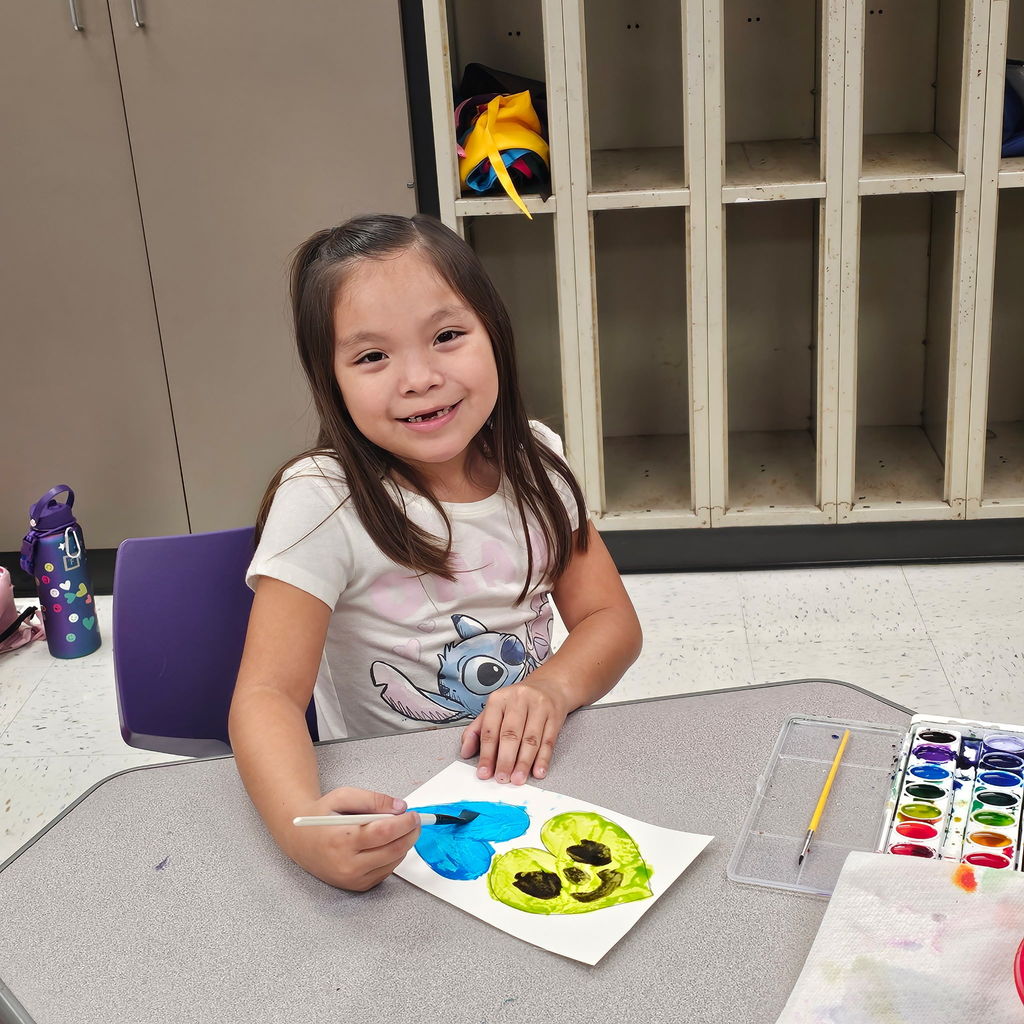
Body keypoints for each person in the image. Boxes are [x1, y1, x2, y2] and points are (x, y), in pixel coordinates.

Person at [228, 213, 642, 891]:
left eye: (447, 337)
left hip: (538, 772)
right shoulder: (322, 499)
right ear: (330, 380)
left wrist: (549, 689)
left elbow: (609, 621)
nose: (418, 378)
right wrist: (306, 830)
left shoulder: (536, 459)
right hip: (398, 803)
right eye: (372, 357)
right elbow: (267, 695)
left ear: (495, 337)